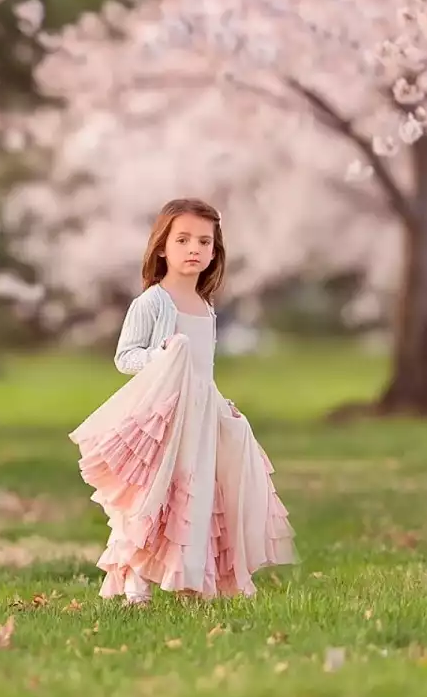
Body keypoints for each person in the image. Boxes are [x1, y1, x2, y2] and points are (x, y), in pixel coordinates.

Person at [69, 197, 296, 605]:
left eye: (204, 242)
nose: (194, 249)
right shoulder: (153, 302)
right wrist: (162, 355)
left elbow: (203, 371)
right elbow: (125, 356)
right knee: (151, 495)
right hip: (163, 416)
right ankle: (135, 576)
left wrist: (222, 404)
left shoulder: (206, 307)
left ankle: (191, 575)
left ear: (214, 251)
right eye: (183, 240)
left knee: (194, 495)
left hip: (200, 416)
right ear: (162, 247)